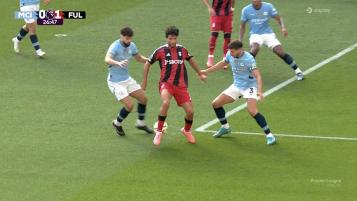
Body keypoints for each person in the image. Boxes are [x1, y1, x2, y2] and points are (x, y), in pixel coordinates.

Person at [201, 40, 276, 145]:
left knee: (252, 111)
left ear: (240, 50)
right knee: (216, 104)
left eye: (232, 51)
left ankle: (269, 135)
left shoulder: (249, 59)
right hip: (237, 86)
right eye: (229, 51)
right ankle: (225, 127)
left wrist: (259, 91)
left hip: (250, 86)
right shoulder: (229, 54)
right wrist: (206, 71)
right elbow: (222, 63)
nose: (230, 53)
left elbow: (258, 76)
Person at [141, 26, 207, 146]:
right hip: (166, 84)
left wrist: (200, 73)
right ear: (167, 38)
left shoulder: (182, 50)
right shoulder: (160, 51)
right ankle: (159, 132)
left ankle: (186, 130)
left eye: (174, 38)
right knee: (166, 103)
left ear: (177, 38)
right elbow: (147, 63)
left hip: (181, 86)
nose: (172, 41)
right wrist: (144, 82)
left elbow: (191, 60)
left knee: (190, 112)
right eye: (170, 38)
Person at [105, 27, 153, 136]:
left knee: (143, 99)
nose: (129, 41)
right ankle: (117, 123)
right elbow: (107, 59)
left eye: (130, 38)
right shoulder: (115, 46)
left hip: (126, 79)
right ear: (121, 36)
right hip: (115, 82)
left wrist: (150, 60)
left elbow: (139, 58)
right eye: (127, 38)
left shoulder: (132, 45)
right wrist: (118, 63)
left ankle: (141, 123)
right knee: (130, 105)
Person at [239, 0, 304, 80]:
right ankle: (247, 72)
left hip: (268, 34)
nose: (255, 1)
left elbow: (279, 18)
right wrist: (240, 41)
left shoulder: (268, 6)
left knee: (280, 52)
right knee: (255, 48)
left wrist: (283, 27)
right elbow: (242, 26)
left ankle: (298, 71)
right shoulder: (246, 10)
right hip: (255, 34)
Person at [202, 0, 235, 68]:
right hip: (216, 14)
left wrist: (232, 8)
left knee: (227, 37)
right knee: (214, 35)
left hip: (228, 15)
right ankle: (210, 56)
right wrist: (209, 8)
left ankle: (225, 58)